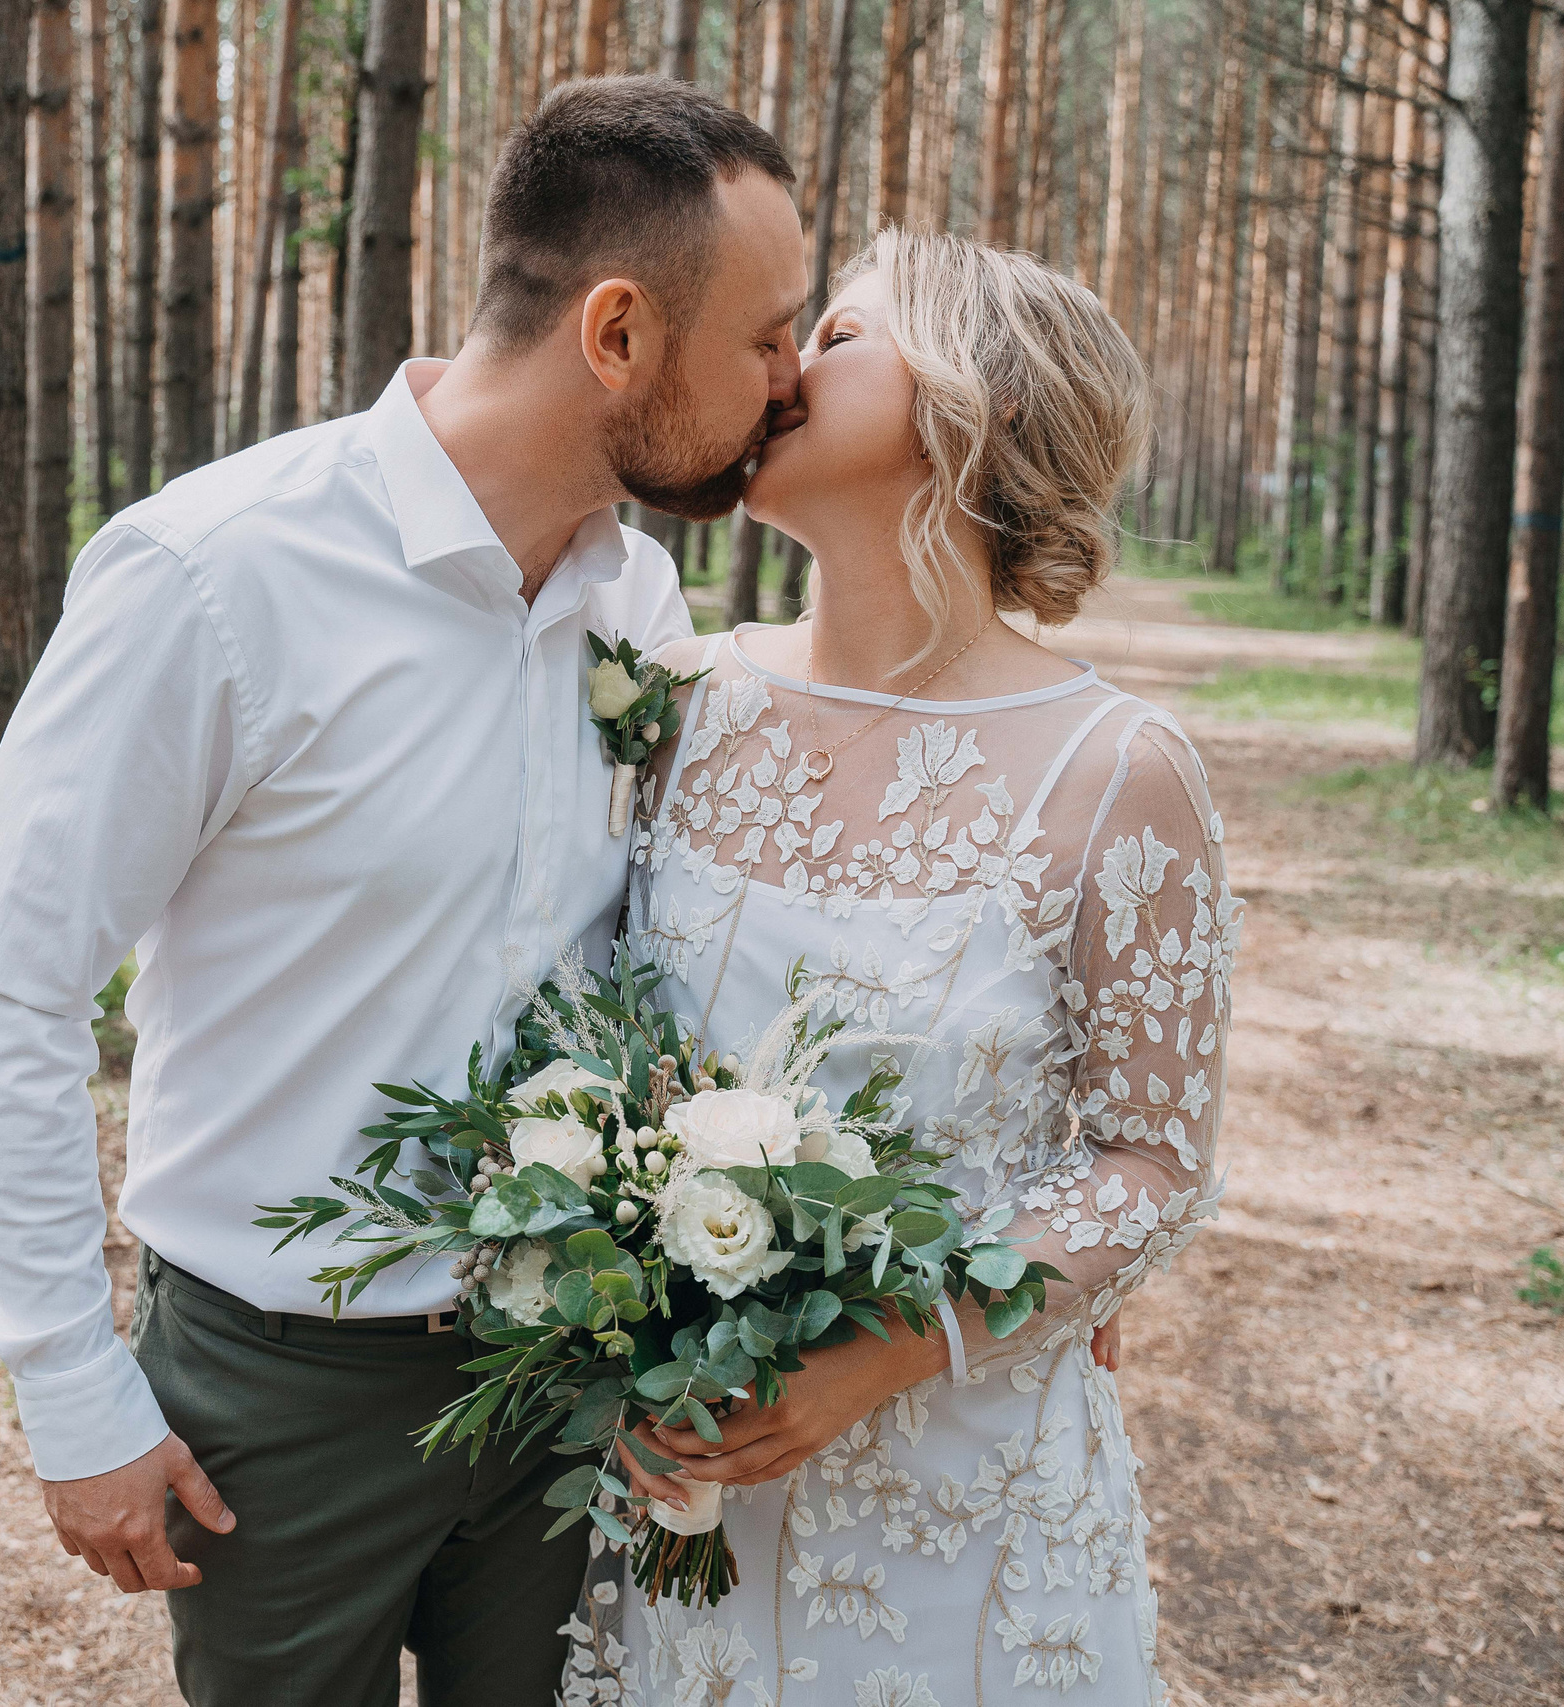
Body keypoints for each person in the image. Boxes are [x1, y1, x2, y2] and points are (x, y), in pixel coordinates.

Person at [0, 77, 810, 1707]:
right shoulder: (215, 575)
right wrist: (69, 1383)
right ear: (617, 333)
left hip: (569, 1372)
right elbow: (6, 984)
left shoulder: (640, 599)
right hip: (283, 1393)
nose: (792, 382)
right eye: (765, 337)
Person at [566, 228, 1238, 1707]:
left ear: (976, 403)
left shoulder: (1116, 770)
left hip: (964, 1501)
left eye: (841, 334)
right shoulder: (680, 701)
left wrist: (897, 1348)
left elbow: (1150, 1160)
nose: (783, 369)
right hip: (682, 1469)